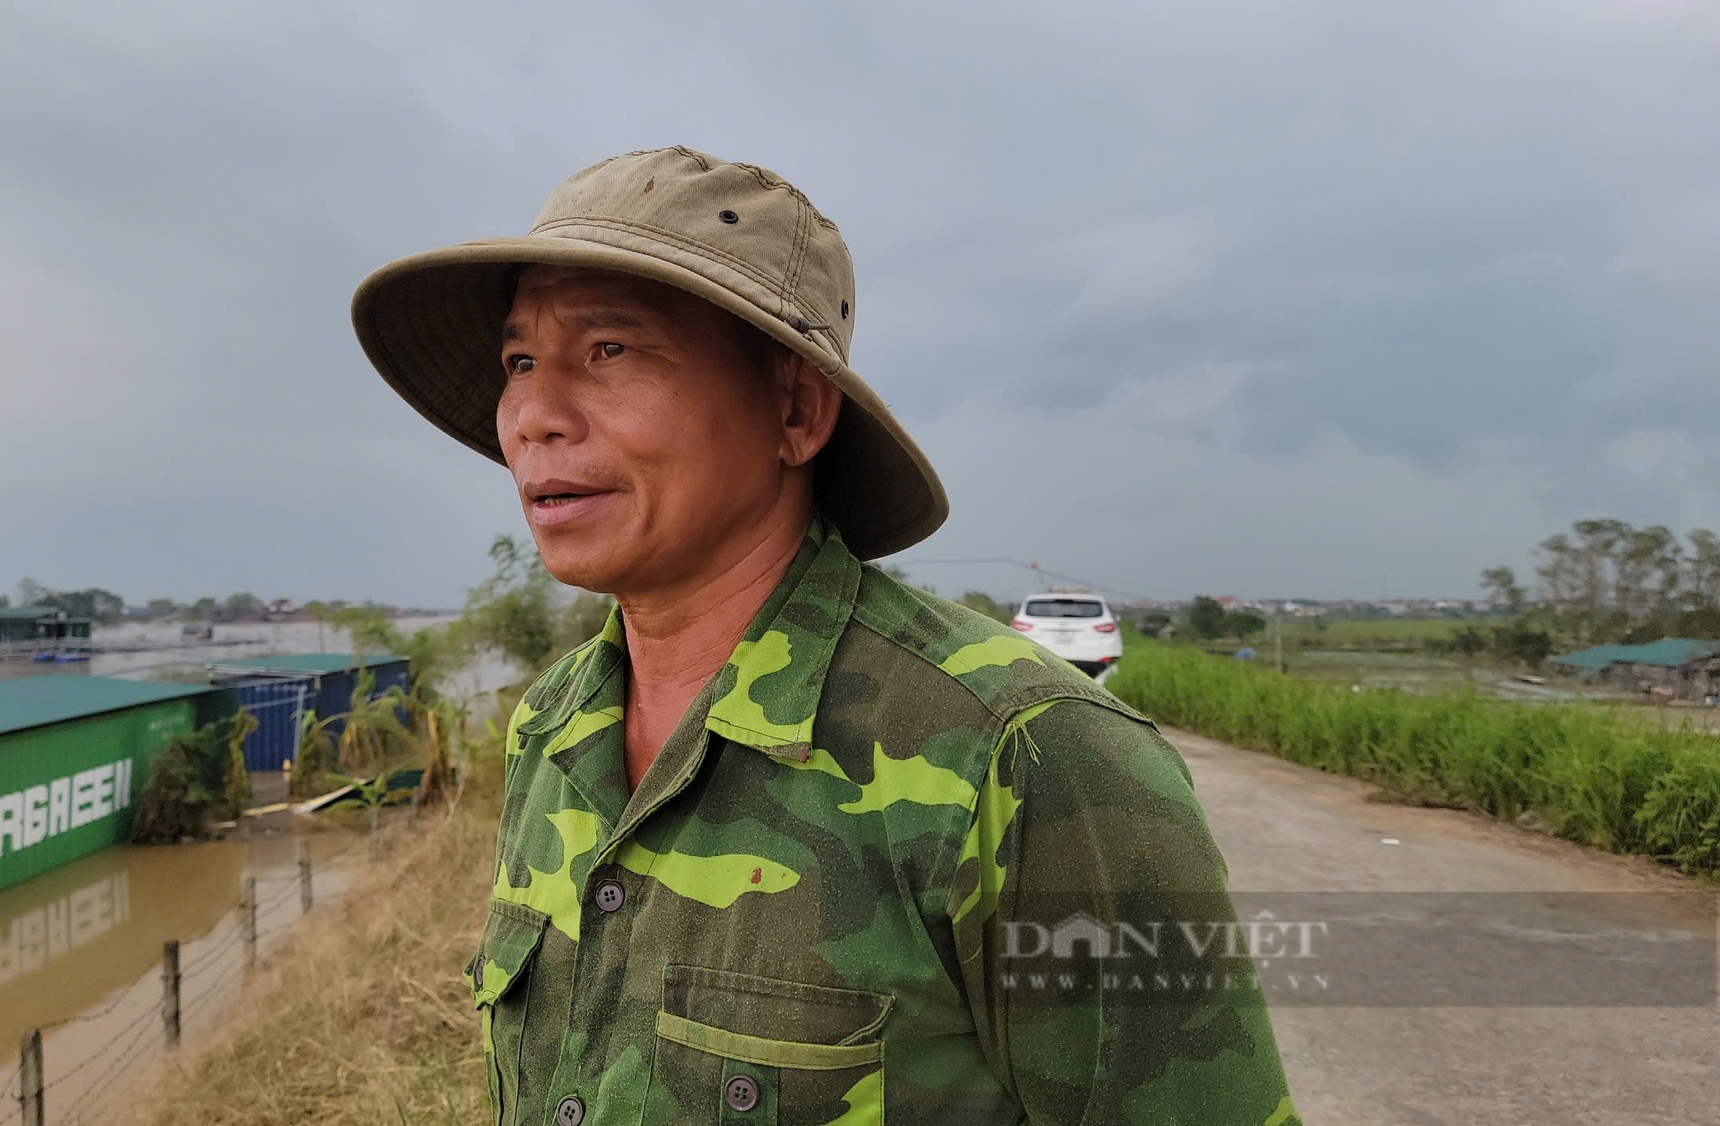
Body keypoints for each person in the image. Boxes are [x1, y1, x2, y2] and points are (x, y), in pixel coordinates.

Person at [352, 146, 1299, 1126]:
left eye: (610, 350)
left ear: (795, 409)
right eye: (517, 362)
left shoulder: (1024, 756)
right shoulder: (551, 724)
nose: (533, 416)